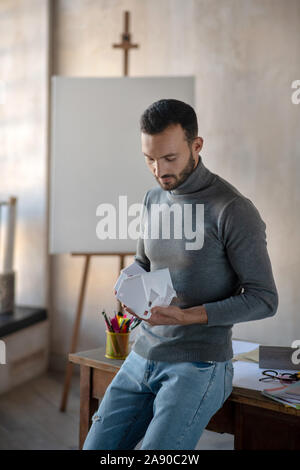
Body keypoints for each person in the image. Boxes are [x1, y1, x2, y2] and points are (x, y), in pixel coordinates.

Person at [83, 99, 278, 450]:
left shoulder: (233, 210)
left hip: (200, 365)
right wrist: (128, 287)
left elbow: (264, 299)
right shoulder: (152, 199)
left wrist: (187, 316)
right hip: (142, 355)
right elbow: (144, 261)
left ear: (196, 145)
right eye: (149, 159)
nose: (159, 170)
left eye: (169, 158)